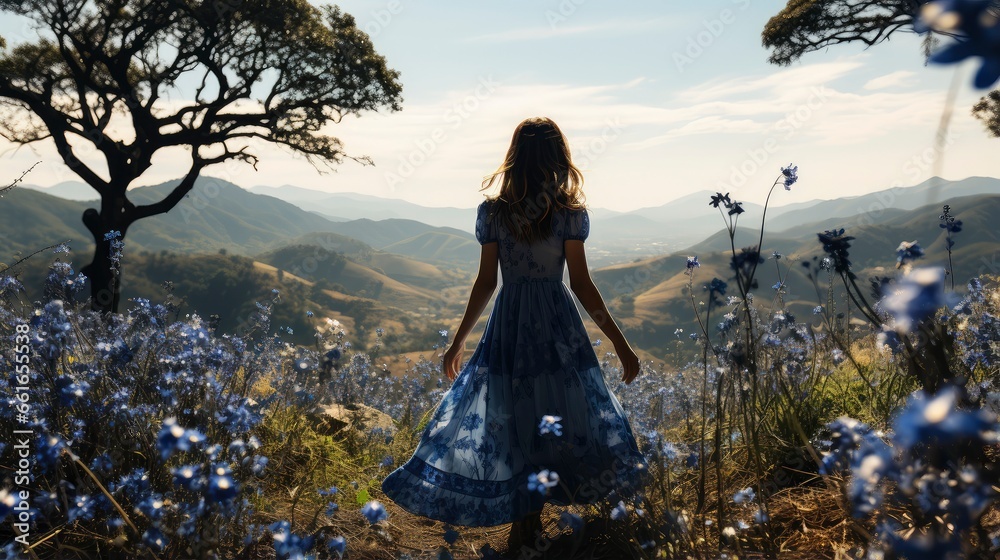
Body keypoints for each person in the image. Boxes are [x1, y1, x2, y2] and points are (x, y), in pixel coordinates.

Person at [381, 117, 647, 554]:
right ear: (559, 159)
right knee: (558, 409)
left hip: (510, 322)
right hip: (558, 323)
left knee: (512, 412)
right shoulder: (569, 215)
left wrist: (459, 339)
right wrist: (620, 343)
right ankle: (535, 515)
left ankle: (525, 520)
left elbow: (487, 281)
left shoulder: (494, 213)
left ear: (514, 158)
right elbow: (581, 283)